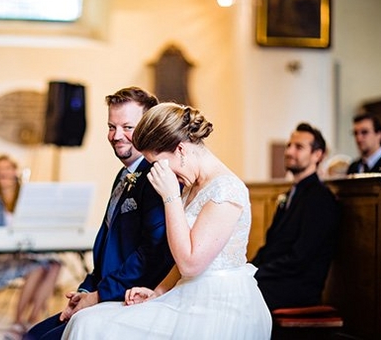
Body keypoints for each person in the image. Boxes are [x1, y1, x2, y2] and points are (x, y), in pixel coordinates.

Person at [62, 102, 272, 339]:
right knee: (86, 320)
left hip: (218, 304)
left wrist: (170, 196)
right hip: (184, 294)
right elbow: (179, 262)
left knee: (93, 327)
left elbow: (191, 264)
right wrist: (157, 292)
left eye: (158, 165)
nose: (159, 174)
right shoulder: (192, 185)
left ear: (181, 150)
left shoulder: (226, 190)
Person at [25, 87, 175, 340]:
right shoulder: (124, 174)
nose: (117, 136)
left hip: (132, 297)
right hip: (105, 289)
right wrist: (85, 290)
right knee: (35, 333)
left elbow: (152, 255)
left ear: (149, 127)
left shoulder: (156, 177)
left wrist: (100, 295)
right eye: (111, 126)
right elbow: (108, 247)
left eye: (128, 127)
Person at [251, 123, 340, 310]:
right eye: (289, 145)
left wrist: (256, 274)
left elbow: (300, 257)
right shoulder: (291, 193)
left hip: (296, 288)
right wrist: (247, 269)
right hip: (276, 279)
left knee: (236, 296)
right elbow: (271, 246)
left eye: (299, 147)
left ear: (318, 155)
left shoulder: (321, 198)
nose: (289, 151)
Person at [0, 155, 61, 340]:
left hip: (23, 254)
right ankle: (17, 322)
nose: (4, 173)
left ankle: (32, 321)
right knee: (36, 268)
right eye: (0, 169)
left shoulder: (28, 200)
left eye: (8, 168)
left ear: (15, 171)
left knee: (55, 264)